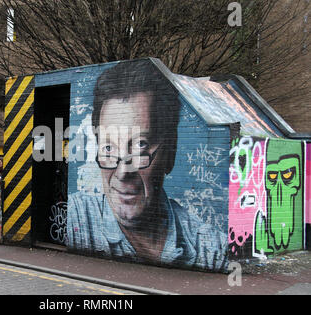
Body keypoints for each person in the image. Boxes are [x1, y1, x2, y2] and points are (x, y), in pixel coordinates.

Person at [66, 59, 228, 271]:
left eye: (140, 146)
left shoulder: (212, 250)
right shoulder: (75, 216)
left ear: (170, 152)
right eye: (108, 148)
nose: (123, 172)